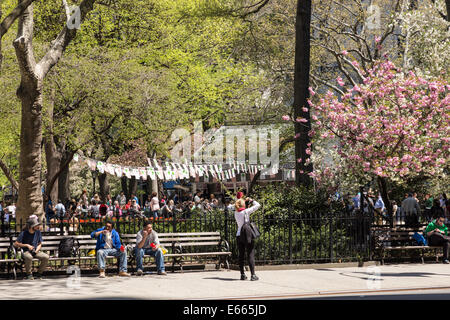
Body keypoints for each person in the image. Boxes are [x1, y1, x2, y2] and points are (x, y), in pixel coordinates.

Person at [234, 197, 261, 281]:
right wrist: (251, 200)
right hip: (247, 235)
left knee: (241, 255)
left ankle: (242, 274)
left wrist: (244, 202)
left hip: (239, 235)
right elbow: (258, 205)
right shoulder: (246, 211)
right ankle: (253, 275)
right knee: (250, 254)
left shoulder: (236, 213)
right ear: (243, 205)